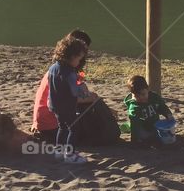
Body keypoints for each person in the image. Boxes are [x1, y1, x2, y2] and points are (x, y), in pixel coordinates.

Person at [31, 30, 120, 146]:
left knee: (91, 100)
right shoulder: (66, 73)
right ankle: (70, 151)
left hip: (45, 121)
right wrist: (92, 99)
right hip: (52, 124)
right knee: (89, 109)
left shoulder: (55, 69)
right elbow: (68, 97)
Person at [47, 35, 91, 164]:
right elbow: (74, 91)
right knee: (74, 128)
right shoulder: (70, 73)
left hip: (55, 105)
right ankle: (70, 155)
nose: (79, 61)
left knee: (62, 127)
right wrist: (83, 91)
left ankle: (59, 151)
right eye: (79, 58)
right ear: (72, 56)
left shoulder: (53, 68)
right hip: (67, 106)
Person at [123, 75, 176, 146]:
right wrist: (135, 140)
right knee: (144, 135)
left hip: (155, 124)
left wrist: (168, 115)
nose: (141, 98)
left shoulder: (154, 97)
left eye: (143, 94)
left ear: (147, 89)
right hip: (143, 128)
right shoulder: (134, 107)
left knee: (166, 132)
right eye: (137, 96)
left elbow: (162, 107)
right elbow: (135, 125)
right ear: (132, 94)